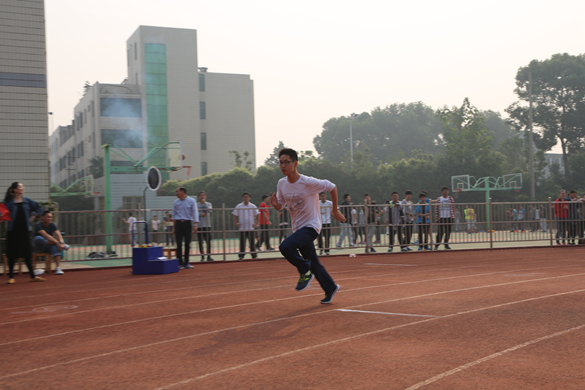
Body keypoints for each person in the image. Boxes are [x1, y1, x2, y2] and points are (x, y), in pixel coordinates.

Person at [270, 148, 342, 304]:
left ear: (295, 163)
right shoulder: (281, 184)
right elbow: (281, 205)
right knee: (313, 261)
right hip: (298, 228)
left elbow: (332, 186)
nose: (282, 165)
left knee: (285, 247)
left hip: (311, 226)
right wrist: (276, 205)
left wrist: (335, 210)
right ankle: (330, 287)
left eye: (286, 162)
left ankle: (304, 270)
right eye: (280, 162)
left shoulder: (308, 182)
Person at [1, 182, 45, 283]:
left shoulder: (27, 201)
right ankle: (11, 277)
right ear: (15, 190)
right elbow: (1, 214)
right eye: (20, 187)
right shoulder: (8, 202)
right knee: (11, 254)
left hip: (24, 231)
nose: (23, 188)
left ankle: (32, 276)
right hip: (12, 231)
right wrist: (2, 218)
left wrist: (34, 216)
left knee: (27, 254)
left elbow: (39, 207)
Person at [33, 211, 70, 275]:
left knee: (55, 247)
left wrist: (61, 242)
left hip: (49, 245)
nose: (49, 218)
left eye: (51, 217)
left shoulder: (52, 224)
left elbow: (58, 234)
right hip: (39, 247)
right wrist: (58, 243)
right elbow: (45, 235)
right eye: (48, 217)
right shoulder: (38, 225)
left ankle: (58, 268)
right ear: (42, 217)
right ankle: (62, 245)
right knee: (38, 238)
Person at [173, 187, 199, 269]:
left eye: (177, 191)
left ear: (183, 192)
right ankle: (180, 263)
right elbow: (174, 215)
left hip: (187, 223)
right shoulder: (175, 202)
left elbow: (195, 212)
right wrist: (173, 227)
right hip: (178, 224)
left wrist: (195, 224)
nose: (176, 193)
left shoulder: (191, 201)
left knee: (187, 243)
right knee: (179, 243)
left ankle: (187, 262)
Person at [233, 192, 259, 260]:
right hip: (242, 227)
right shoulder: (239, 206)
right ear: (242, 198)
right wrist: (236, 222)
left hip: (251, 227)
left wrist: (257, 223)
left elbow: (257, 214)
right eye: (244, 197)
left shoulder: (252, 206)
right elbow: (235, 214)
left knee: (252, 242)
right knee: (242, 242)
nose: (246, 198)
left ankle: (254, 255)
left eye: (247, 197)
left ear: (249, 198)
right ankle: (241, 255)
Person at [197, 191, 214, 261]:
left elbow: (210, 211)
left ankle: (209, 256)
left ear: (205, 196)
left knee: (208, 241)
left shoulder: (209, 204)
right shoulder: (196, 205)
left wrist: (204, 204)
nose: (202, 197)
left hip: (207, 225)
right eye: (200, 195)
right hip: (199, 226)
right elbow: (195, 214)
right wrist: (201, 214)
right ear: (198, 197)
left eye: (203, 195)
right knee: (200, 241)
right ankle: (202, 256)